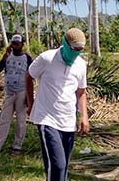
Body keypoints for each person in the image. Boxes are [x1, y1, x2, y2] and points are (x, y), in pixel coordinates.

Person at [25, 28, 90, 181]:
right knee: (57, 166)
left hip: (68, 121)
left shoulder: (80, 64)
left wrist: (84, 116)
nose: (77, 53)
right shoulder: (47, 58)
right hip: (47, 118)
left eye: (80, 50)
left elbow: (81, 92)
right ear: (66, 44)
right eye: (75, 49)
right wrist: (31, 103)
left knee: (64, 168)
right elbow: (28, 77)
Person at [0, 34, 32, 154]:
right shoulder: (7, 56)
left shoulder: (27, 58)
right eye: (13, 43)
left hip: (21, 92)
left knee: (21, 120)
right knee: (5, 119)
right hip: (9, 92)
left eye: (17, 44)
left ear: (22, 44)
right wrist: (4, 58)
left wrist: (29, 97)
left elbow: (31, 76)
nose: (15, 46)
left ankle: (17, 146)